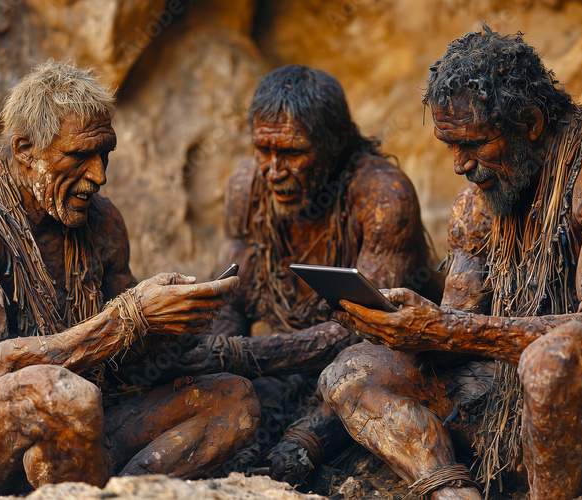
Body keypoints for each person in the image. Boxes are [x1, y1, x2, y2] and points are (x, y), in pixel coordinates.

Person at [319, 27, 582, 500]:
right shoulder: (476, 207)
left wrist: (445, 329)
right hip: (515, 392)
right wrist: (395, 325)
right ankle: (451, 491)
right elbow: (455, 332)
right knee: (351, 371)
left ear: (530, 124)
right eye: (451, 146)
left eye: (474, 144)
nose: (460, 165)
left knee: (553, 361)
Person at [0, 62, 259, 495]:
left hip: (75, 420)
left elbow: (129, 360)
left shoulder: (102, 224)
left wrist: (173, 320)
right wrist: (129, 317)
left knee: (234, 400)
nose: (99, 175)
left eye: (105, 154)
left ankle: (105, 489)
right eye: (80, 156)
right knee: (65, 395)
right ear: (25, 150)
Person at [168, 65, 442, 485]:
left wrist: (237, 355)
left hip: (370, 365)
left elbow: (367, 328)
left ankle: (303, 443)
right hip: (284, 365)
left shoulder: (383, 195)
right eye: (263, 149)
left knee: (301, 443)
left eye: (292, 152)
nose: (273, 170)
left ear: (335, 142)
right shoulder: (247, 187)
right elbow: (230, 299)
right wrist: (215, 358)